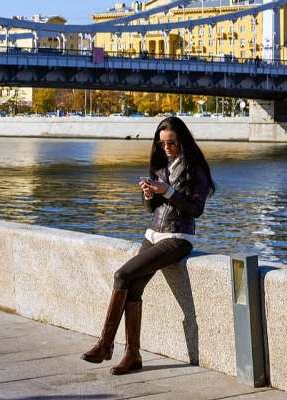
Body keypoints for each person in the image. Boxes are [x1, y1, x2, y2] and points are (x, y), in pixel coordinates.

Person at [81, 116, 215, 375]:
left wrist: (166, 191)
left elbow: (196, 209)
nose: (167, 149)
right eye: (162, 144)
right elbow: (151, 209)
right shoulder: (162, 168)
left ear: (183, 141)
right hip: (152, 234)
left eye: (172, 143)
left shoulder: (195, 169)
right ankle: (132, 355)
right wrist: (148, 194)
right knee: (132, 289)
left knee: (122, 275)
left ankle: (105, 344)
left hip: (177, 238)